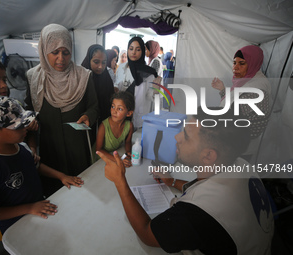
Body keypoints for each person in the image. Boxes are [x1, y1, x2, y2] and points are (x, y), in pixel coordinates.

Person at [97, 106, 274, 254]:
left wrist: (120, 181)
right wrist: (172, 182)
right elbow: (207, 187)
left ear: (208, 155)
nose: (177, 137)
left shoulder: (198, 214)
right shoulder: (241, 164)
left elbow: (147, 234)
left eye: (186, 136)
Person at [0, 96, 84, 234]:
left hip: (40, 211)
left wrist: (61, 176)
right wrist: (29, 208)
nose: (25, 128)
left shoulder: (22, 147)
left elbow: (34, 166)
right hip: (17, 227)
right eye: (17, 126)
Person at [25, 24, 98, 196]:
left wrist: (89, 115)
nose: (61, 58)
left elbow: (94, 105)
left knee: (82, 188)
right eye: (54, 52)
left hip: (77, 146)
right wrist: (30, 125)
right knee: (55, 192)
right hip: (49, 147)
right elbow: (28, 111)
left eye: (66, 52)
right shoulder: (33, 77)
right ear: (44, 51)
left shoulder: (83, 76)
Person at [211, 45, 271, 158]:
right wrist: (223, 90)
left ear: (253, 63)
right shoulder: (247, 80)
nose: (235, 68)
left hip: (238, 149)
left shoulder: (257, 90)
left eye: (242, 63)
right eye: (234, 63)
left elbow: (253, 126)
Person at [125, 36, 161, 129]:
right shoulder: (122, 68)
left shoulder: (149, 73)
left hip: (140, 116)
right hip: (124, 114)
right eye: (131, 49)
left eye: (138, 49)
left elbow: (150, 96)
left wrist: (155, 91)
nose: (133, 52)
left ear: (142, 52)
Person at [96, 91, 134, 168]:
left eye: (119, 109)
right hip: (100, 159)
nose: (114, 111)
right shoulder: (103, 126)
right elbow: (98, 150)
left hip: (114, 155)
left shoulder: (129, 126)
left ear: (128, 113)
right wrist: (118, 160)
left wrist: (128, 152)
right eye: (113, 106)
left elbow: (127, 142)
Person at [81, 44, 115, 124]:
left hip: (105, 123)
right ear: (89, 60)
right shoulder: (82, 78)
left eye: (104, 63)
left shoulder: (106, 79)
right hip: (86, 123)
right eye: (96, 62)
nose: (100, 66)